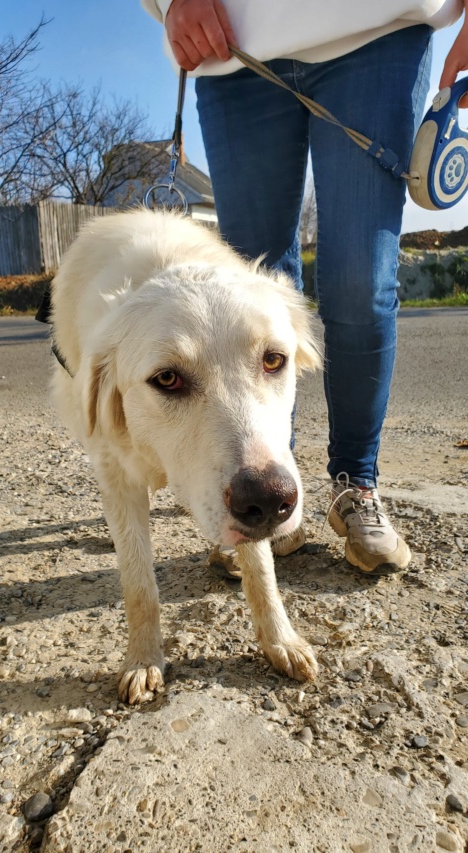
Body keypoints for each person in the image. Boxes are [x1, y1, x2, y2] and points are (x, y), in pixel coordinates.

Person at [141, 0, 468, 574]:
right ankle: (265, 488)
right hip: (232, 44)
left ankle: (355, 483)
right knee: (248, 293)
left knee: (360, 283)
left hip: (379, 27)